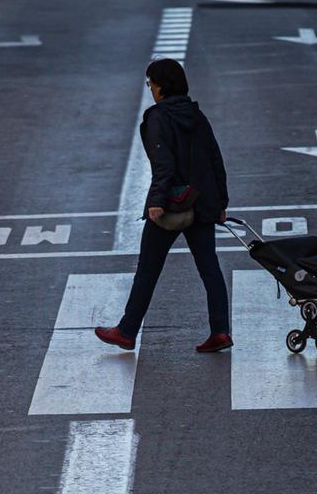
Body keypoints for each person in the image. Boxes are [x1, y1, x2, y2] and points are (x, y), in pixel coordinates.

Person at [95, 58, 233, 354]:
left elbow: (163, 164)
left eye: (151, 84)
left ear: (160, 86)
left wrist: (157, 202)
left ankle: (126, 331)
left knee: (148, 269)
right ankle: (220, 331)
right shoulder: (197, 115)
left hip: (173, 204)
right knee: (210, 268)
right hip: (203, 202)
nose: (150, 89)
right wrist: (221, 202)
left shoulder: (158, 117)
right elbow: (215, 159)